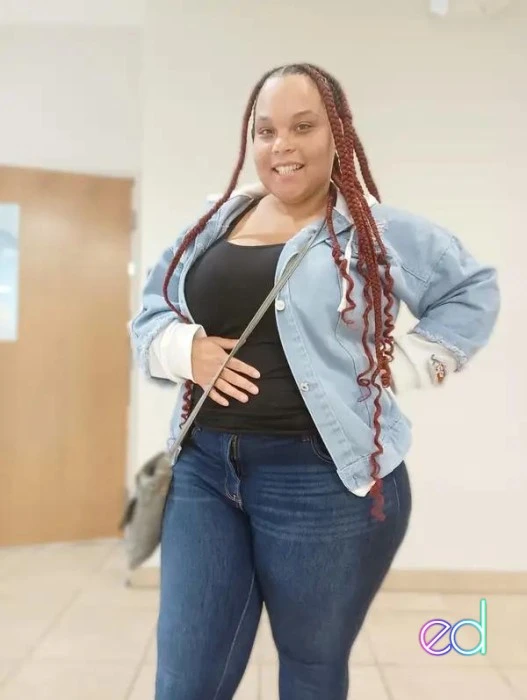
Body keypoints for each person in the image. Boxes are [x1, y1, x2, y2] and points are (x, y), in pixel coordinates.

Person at [130, 63, 499, 700]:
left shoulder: (374, 231)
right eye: (266, 130)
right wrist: (182, 349)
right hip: (204, 470)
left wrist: (405, 363)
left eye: (303, 127)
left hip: (324, 481)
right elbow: (150, 311)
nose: (283, 146)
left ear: (338, 135)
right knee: (186, 680)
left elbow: (473, 290)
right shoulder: (214, 221)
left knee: (310, 667)